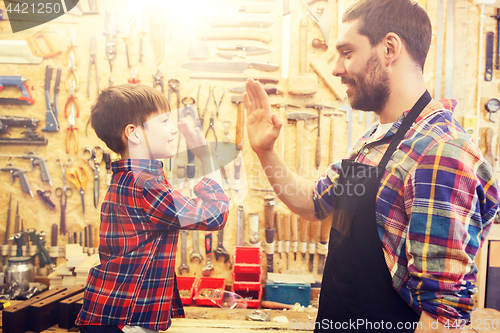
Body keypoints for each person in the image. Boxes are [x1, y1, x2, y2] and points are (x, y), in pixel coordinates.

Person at [243, 0, 499, 331]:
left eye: (347, 52)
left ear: (389, 48)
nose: (335, 69)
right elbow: (314, 203)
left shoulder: (439, 153)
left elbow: (442, 317)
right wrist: (266, 152)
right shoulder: (374, 141)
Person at [75, 84, 230, 333]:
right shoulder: (145, 185)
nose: (173, 130)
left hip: (115, 316)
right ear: (134, 134)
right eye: (165, 121)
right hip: (123, 323)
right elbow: (215, 216)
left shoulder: (133, 178)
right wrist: (205, 157)